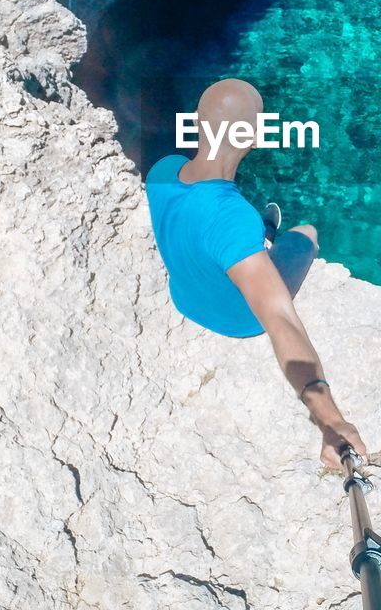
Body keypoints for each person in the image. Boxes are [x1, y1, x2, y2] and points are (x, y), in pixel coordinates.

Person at [145, 78, 367, 468]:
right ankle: (265, 241)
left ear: (196, 122)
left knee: (236, 240)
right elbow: (280, 319)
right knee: (306, 235)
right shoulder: (231, 219)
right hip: (238, 316)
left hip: (185, 294)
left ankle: (256, 245)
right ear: (251, 138)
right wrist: (331, 420)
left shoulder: (162, 171)